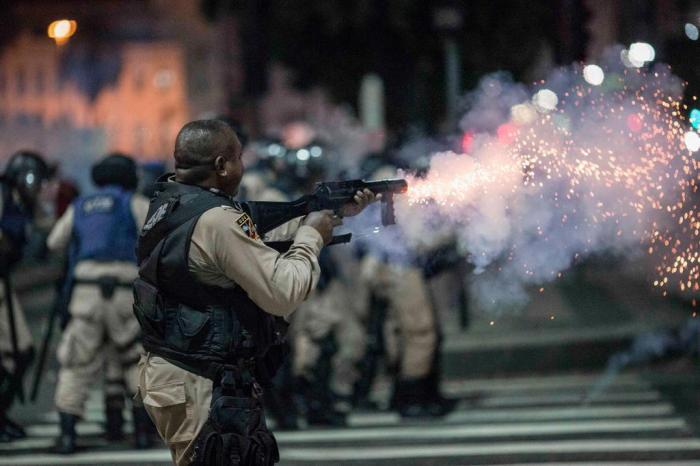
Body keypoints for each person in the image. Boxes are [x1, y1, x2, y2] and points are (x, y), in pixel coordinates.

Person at [134, 119, 375, 466]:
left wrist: (331, 215)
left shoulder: (170, 203)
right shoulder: (217, 219)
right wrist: (311, 238)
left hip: (180, 369)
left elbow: (247, 239)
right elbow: (284, 291)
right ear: (221, 165)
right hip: (202, 379)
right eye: (238, 158)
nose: (242, 167)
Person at [47, 153, 151, 453]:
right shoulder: (133, 203)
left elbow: (55, 242)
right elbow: (159, 236)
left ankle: (68, 434)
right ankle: (142, 432)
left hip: (86, 292)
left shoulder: (80, 207)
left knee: (77, 362)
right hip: (125, 291)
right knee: (135, 358)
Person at [0, 150, 50, 442]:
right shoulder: (4, 196)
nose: (36, 186)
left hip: (5, 283)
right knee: (17, 352)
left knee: (19, 353)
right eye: (32, 179)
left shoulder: (22, 204)